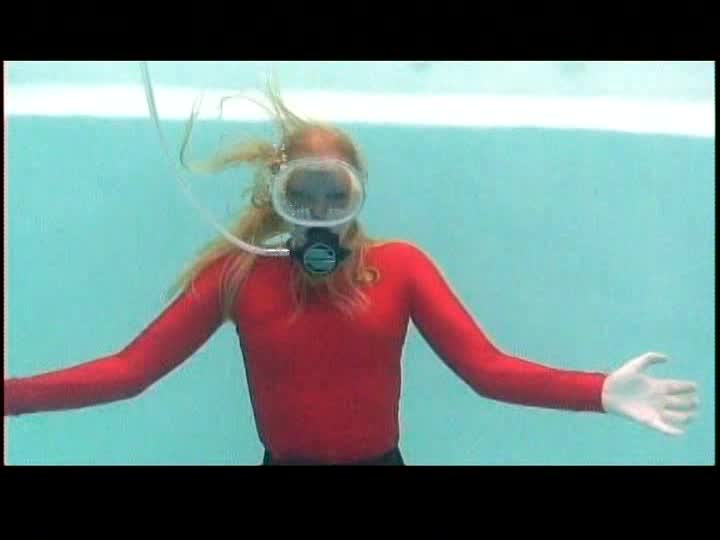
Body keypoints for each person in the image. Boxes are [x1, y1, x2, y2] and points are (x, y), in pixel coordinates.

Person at [4, 84, 699, 466]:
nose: (318, 215)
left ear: (357, 195)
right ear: (277, 195)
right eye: (301, 196)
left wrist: (598, 390)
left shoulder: (401, 268)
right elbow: (131, 370)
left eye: (333, 196)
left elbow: (486, 370)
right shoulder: (238, 276)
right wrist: (11, 398)